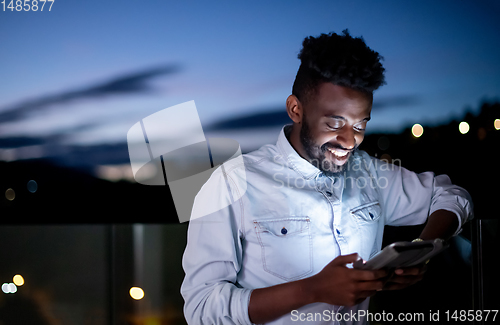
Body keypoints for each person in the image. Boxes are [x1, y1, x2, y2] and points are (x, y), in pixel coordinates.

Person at [180, 30, 473, 325]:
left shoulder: (368, 172)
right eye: (335, 123)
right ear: (296, 109)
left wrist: (422, 249)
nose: (349, 141)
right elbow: (202, 310)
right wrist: (312, 290)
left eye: (360, 125)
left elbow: (452, 196)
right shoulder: (230, 183)